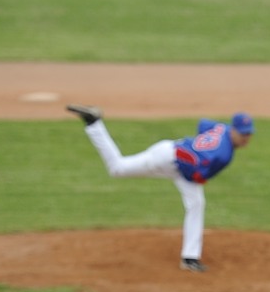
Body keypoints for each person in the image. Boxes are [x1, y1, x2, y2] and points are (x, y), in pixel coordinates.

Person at [64, 104, 254, 272]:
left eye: (249, 134)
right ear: (234, 130)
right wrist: (199, 176)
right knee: (118, 169)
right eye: (243, 133)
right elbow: (193, 168)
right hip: (167, 159)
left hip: (175, 157)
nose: (246, 138)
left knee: (197, 203)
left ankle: (190, 258)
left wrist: (197, 151)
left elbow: (203, 124)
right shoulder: (223, 154)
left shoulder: (221, 128)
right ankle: (94, 123)